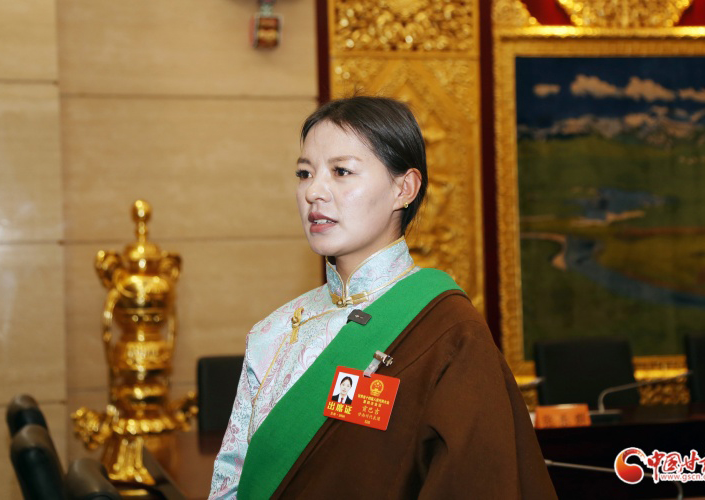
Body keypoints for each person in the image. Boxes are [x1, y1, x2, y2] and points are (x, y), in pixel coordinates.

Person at [209, 96, 556, 499]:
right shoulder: (274, 332)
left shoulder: (450, 331)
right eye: (304, 173)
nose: (313, 192)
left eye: (341, 171)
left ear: (403, 188)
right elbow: (232, 480)